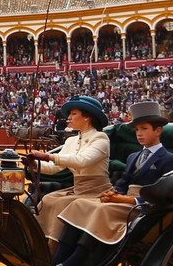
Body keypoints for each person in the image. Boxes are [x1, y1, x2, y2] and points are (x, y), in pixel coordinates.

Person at [52, 100, 173, 266]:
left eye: (144, 129)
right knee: (80, 204)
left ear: (158, 131)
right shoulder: (133, 156)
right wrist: (113, 193)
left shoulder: (170, 160)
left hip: (144, 207)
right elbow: (123, 184)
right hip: (123, 201)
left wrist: (128, 199)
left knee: (101, 210)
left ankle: (77, 260)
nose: (139, 134)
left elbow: (163, 194)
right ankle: (60, 255)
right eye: (137, 130)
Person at [22, 95, 112, 247]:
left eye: (73, 114)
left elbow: (82, 161)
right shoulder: (71, 141)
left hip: (97, 191)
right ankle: (36, 242)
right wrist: (34, 164)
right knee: (48, 200)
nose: (68, 118)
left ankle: (52, 248)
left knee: (60, 203)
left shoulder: (100, 139)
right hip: (78, 189)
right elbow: (55, 168)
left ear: (87, 117)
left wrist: (48, 156)